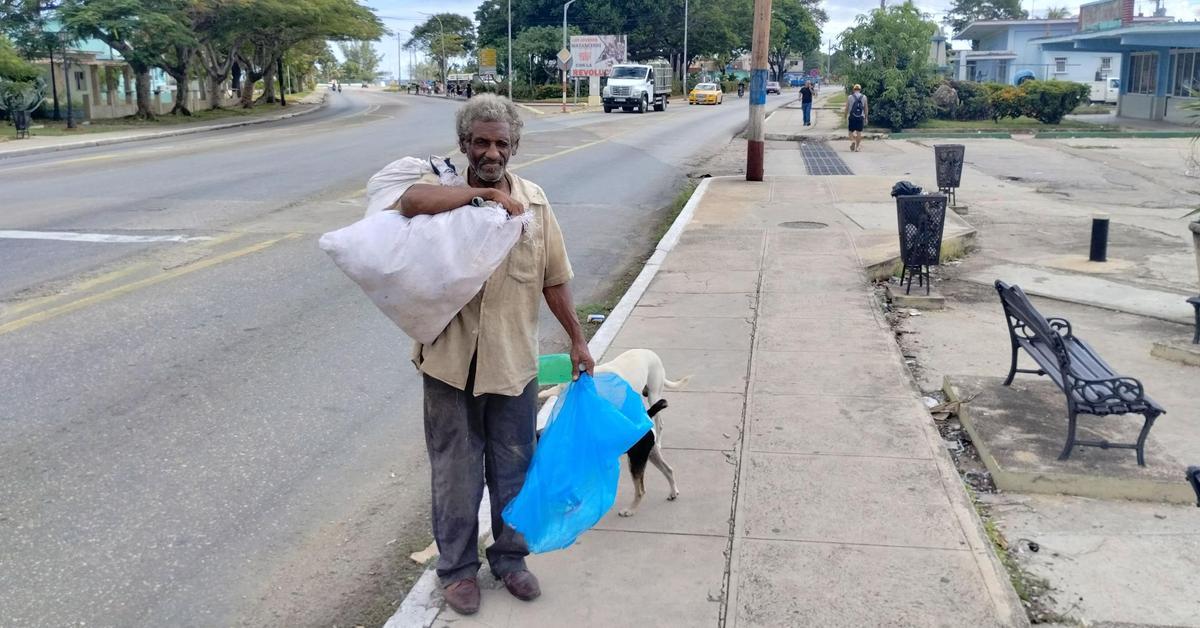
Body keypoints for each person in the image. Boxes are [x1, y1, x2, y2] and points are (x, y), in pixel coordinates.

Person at [396, 94, 594, 616]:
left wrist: (577, 339)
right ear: (464, 143)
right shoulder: (441, 195)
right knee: (455, 474)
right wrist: (475, 198)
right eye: (480, 141)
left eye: (501, 143)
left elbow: (555, 279)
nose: (490, 151)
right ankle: (457, 571)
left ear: (514, 149)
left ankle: (509, 558)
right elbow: (409, 203)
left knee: (515, 469)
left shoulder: (538, 203)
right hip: (449, 365)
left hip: (512, 364)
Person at [844, 84, 869, 152]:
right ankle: (857, 147)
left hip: (852, 117)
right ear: (860, 90)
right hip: (860, 117)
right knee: (859, 132)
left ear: (853, 90)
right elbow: (866, 108)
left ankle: (852, 141)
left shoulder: (850, 97)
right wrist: (866, 117)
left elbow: (846, 108)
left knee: (850, 132)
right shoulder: (864, 97)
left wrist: (845, 116)